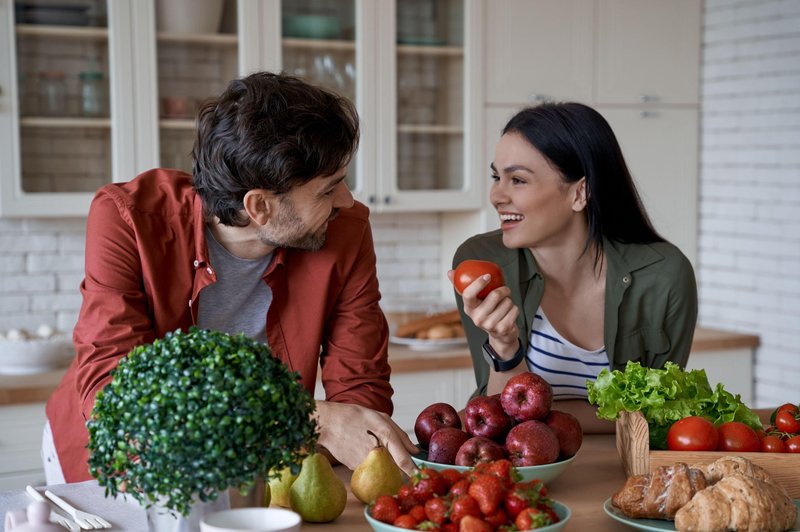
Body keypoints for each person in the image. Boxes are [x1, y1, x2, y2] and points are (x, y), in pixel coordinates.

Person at [44, 72, 418, 484]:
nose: (346, 200)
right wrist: (312, 420)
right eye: (328, 190)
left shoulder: (344, 230)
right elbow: (117, 403)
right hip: (111, 472)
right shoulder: (129, 219)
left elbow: (360, 397)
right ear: (258, 206)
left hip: (270, 465)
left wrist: (321, 428)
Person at [450, 102, 697, 433]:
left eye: (518, 180)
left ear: (580, 192)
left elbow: (660, 415)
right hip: (528, 470)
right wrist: (505, 346)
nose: (496, 195)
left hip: (626, 469)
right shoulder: (483, 264)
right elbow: (497, 417)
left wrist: (547, 413)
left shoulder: (664, 275)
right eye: (497, 177)